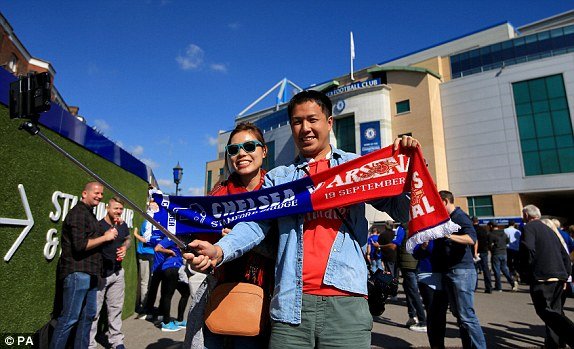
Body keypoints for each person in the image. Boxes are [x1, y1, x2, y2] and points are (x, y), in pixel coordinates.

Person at [184, 90, 416, 349]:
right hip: (290, 306)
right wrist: (219, 250)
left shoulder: (356, 168)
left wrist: (410, 169)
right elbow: (255, 224)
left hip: (347, 304)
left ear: (329, 123)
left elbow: (403, 211)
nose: (305, 128)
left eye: (312, 120)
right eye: (297, 121)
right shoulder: (279, 179)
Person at [184, 122, 276, 348]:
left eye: (249, 146)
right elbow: (199, 241)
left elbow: (286, 248)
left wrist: (244, 241)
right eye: (233, 150)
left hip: (264, 294)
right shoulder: (218, 194)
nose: (241, 153)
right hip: (218, 292)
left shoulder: (278, 192)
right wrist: (200, 260)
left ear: (264, 151)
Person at [50, 182, 118, 349]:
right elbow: (80, 246)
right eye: (96, 193)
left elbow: (97, 241)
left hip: (91, 274)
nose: (99, 196)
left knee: (87, 318)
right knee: (69, 318)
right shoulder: (78, 214)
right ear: (84, 194)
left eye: (102, 194)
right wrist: (105, 237)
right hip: (77, 272)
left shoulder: (90, 214)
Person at [416, 190, 486, 349]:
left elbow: (471, 238)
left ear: (445, 201)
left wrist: (448, 236)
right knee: (460, 316)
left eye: (438, 203)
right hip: (452, 271)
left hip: (461, 271)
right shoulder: (449, 219)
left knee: (466, 316)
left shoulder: (459, 217)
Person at [519, 205, 574, 348]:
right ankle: (554, 344)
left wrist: (525, 271)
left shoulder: (529, 228)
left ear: (526, 215)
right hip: (558, 277)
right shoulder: (550, 230)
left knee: (546, 311)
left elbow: (527, 249)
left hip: (543, 276)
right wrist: (566, 275)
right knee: (554, 312)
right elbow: (564, 254)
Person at [89, 197, 130, 349]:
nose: (118, 211)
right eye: (115, 208)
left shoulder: (122, 225)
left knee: (115, 310)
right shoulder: (99, 226)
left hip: (118, 273)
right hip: (101, 274)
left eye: (120, 209)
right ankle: (90, 344)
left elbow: (127, 238)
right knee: (94, 312)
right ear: (107, 208)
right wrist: (105, 237)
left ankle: (117, 342)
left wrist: (125, 247)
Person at [154, 237, 190, 332]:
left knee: (185, 293)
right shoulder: (171, 237)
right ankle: (166, 323)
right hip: (170, 267)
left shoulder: (187, 237)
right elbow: (157, 248)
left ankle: (179, 320)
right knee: (168, 295)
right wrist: (169, 251)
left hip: (178, 269)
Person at [487, 221, 517, 292]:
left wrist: (492, 248)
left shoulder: (491, 234)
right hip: (504, 252)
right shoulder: (504, 233)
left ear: (491, 226)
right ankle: (512, 282)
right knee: (505, 269)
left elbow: (489, 245)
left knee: (497, 270)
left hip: (496, 253)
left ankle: (498, 286)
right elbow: (507, 241)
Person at [473, 217, 492, 293]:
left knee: (474, 270)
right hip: (484, 251)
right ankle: (488, 287)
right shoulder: (483, 230)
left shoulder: (472, 230)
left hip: (475, 252)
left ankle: (474, 286)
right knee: (486, 269)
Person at [503, 220, 521, 284]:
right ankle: (517, 274)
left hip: (508, 248)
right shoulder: (518, 231)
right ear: (514, 224)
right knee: (516, 262)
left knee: (509, 263)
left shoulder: (505, 230)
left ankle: (511, 275)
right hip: (516, 249)